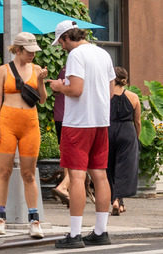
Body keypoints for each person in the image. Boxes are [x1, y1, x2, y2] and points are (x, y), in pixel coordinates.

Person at [48, 20, 116, 248]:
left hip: (78, 123)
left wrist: (58, 87)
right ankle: (100, 231)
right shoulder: (104, 54)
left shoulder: (76, 55)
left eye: (61, 43)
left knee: (77, 177)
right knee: (100, 175)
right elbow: (110, 89)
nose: (61, 47)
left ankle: (75, 235)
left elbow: (76, 90)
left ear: (68, 37)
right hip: (100, 121)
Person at [0, 32, 48, 239]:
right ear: (19, 50)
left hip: (30, 123)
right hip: (7, 122)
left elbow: (42, 100)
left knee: (29, 174)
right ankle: (0, 218)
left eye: (34, 51)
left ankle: (34, 221)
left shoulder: (37, 69)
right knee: (4, 171)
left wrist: (41, 81)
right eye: (29, 51)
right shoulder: (3, 70)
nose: (33, 55)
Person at [108, 67, 141, 216]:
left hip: (108, 130)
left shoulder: (106, 95)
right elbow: (138, 121)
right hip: (127, 132)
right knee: (123, 167)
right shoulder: (134, 97)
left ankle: (115, 199)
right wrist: (136, 137)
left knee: (109, 167)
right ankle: (118, 201)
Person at [51, 67, 71, 206]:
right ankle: (65, 186)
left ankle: (66, 186)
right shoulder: (72, 71)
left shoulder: (64, 70)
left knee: (66, 152)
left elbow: (55, 90)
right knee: (75, 154)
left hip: (60, 115)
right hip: (71, 117)